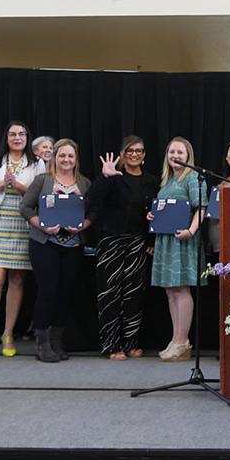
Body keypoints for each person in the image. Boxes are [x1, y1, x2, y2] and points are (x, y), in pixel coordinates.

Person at [0, 122, 47, 361]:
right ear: (6, 138)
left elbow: (41, 196)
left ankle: (8, 334)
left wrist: (17, 185)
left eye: (22, 134)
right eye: (12, 134)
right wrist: (0, 185)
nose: (17, 138)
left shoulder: (38, 163)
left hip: (23, 224)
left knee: (17, 279)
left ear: (28, 138)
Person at [21, 139, 93, 363]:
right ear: (54, 157)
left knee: (65, 293)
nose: (66, 160)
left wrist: (83, 226)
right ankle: (41, 343)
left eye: (70, 156)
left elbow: (93, 213)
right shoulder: (42, 180)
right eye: (62, 155)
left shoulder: (84, 183)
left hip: (72, 246)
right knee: (48, 291)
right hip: (44, 244)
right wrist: (40, 224)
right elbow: (25, 207)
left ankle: (56, 340)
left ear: (76, 159)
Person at [89, 136, 159, 360]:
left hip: (138, 241)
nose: (134, 154)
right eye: (130, 150)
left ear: (144, 155)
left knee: (134, 295)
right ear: (123, 153)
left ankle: (131, 343)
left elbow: (155, 214)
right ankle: (112, 345)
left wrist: (150, 241)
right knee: (109, 295)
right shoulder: (113, 177)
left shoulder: (151, 181)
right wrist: (103, 176)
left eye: (139, 150)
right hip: (110, 241)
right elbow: (92, 201)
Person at [147, 137, 204, 362]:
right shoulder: (166, 181)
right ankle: (175, 338)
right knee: (170, 291)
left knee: (181, 290)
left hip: (183, 240)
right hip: (165, 241)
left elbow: (201, 207)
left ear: (188, 155)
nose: (175, 156)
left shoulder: (192, 178)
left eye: (180, 152)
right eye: (172, 152)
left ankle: (183, 341)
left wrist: (191, 230)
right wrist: (152, 215)